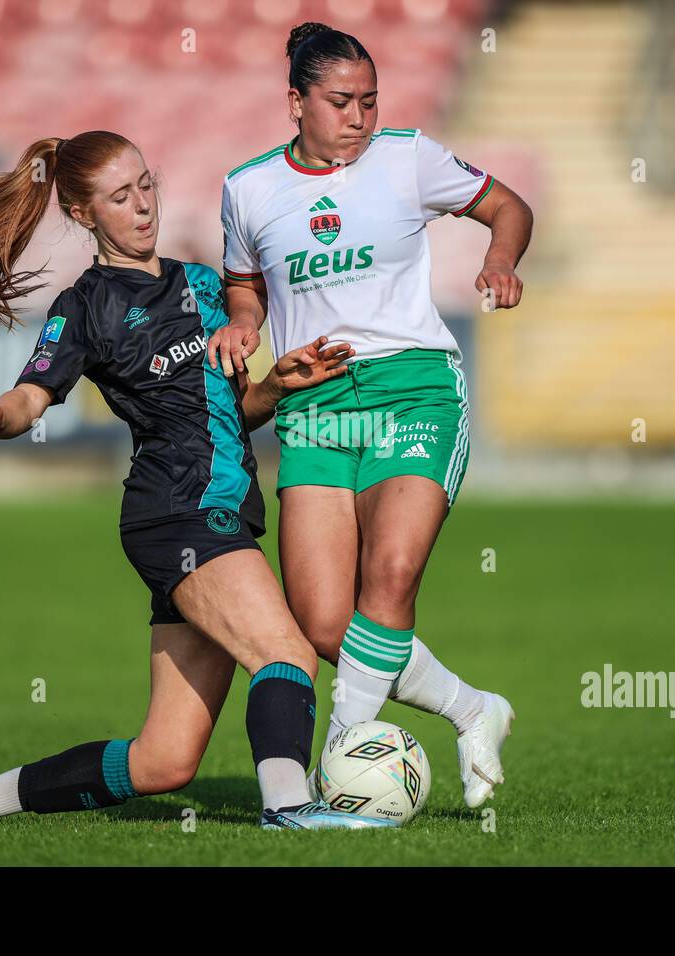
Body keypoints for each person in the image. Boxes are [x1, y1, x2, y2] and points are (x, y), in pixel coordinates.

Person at [0, 130, 390, 831]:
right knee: (286, 651)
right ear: (86, 215)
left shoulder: (205, 285)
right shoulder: (85, 306)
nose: (144, 205)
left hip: (224, 514)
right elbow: (32, 396)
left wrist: (276, 386)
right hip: (176, 516)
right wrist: (0, 416)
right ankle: (290, 807)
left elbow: (227, 412)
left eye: (146, 184)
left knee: (163, 762)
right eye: (121, 196)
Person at [212, 23, 534, 808]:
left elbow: (508, 207)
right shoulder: (248, 188)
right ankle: (474, 709)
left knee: (389, 579)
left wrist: (499, 261)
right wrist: (244, 321)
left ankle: (333, 773)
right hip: (315, 407)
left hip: (413, 389)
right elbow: (245, 284)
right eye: (340, 102)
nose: (359, 117)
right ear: (295, 102)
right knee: (326, 627)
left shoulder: (408, 158)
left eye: (369, 101)